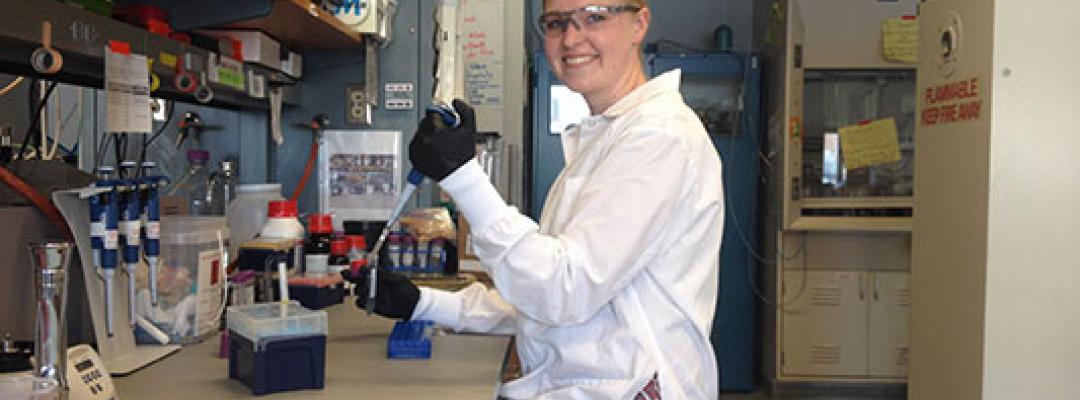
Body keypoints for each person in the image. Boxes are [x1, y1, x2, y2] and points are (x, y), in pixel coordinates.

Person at [342, 0, 724, 398]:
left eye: (594, 16)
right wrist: (424, 303)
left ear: (638, 24)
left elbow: (563, 290)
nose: (572, 39)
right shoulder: (606, 139)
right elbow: (546, 304)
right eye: (557, 23)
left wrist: (463, 176)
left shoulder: (658, 137)